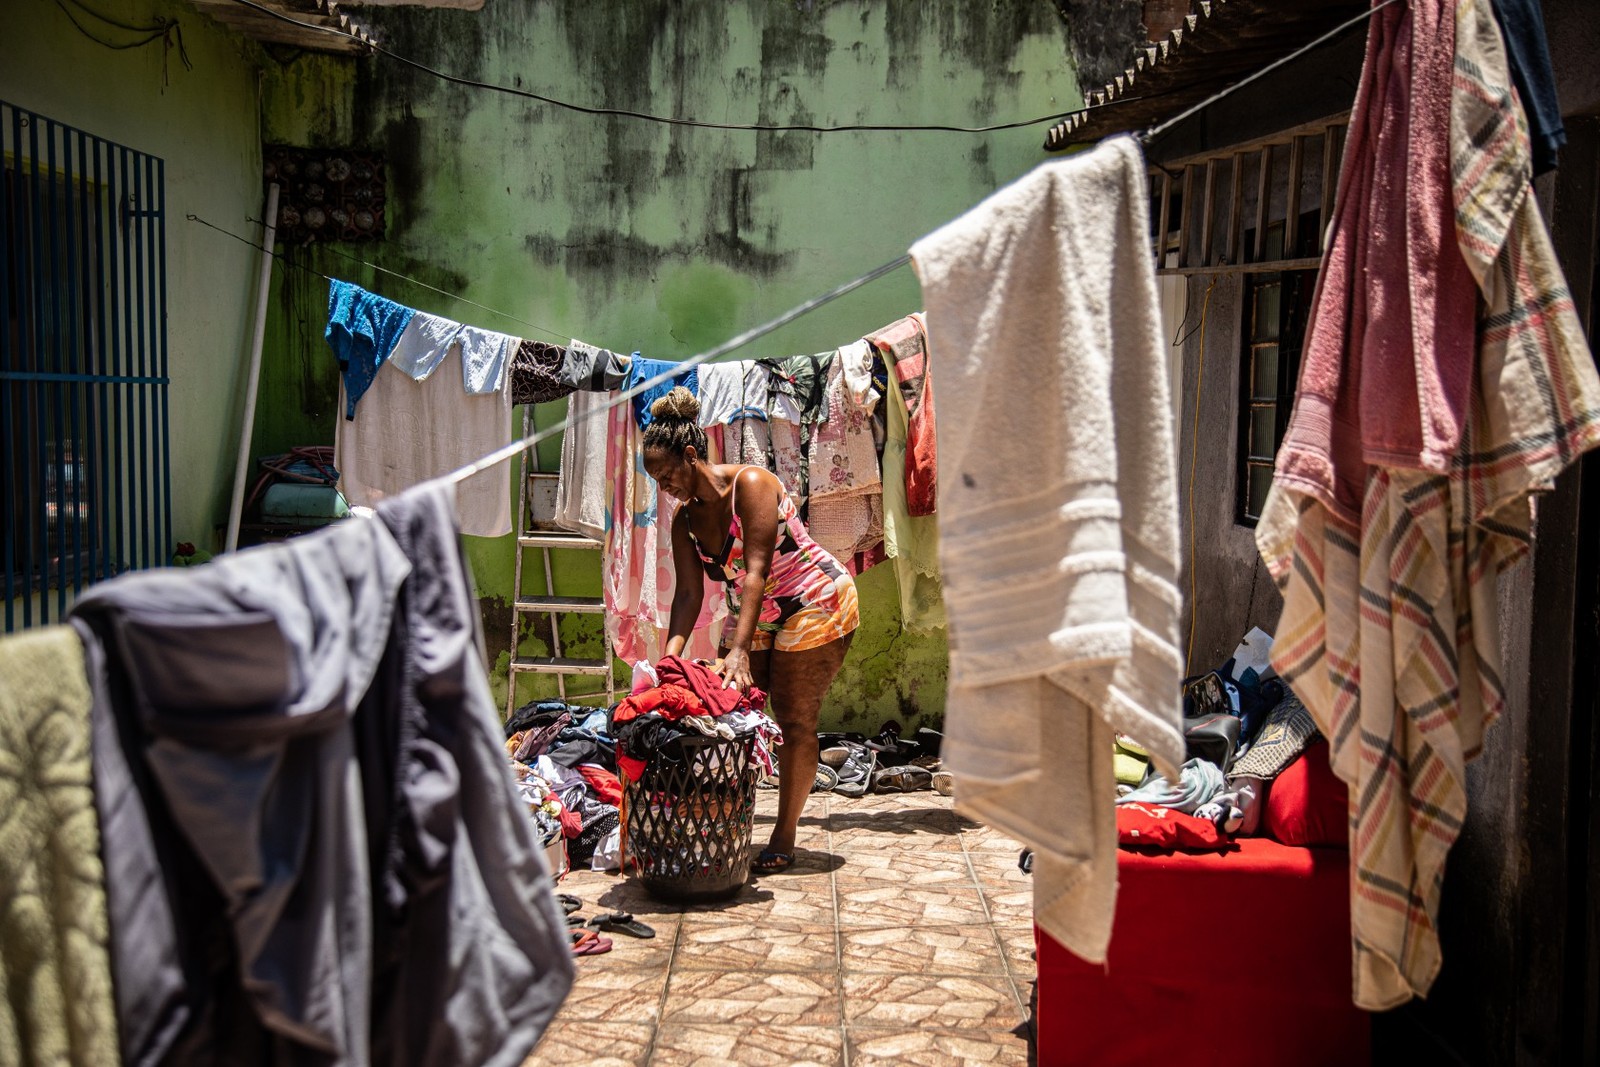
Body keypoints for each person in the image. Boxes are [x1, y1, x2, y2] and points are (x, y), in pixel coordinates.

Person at [641, 386, 859, 874]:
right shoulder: (685, 523)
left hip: (814, 600)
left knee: (793, 716)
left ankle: (783, 835)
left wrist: (737, 652)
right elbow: (688, 597)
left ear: (691, 455)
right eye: (655, 479)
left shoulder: (753, 485)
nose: (664, 486)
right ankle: (733, 822)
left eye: (667, 474)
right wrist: (669, 662)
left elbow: (757, 571)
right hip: (757, 611)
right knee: (738, 714)